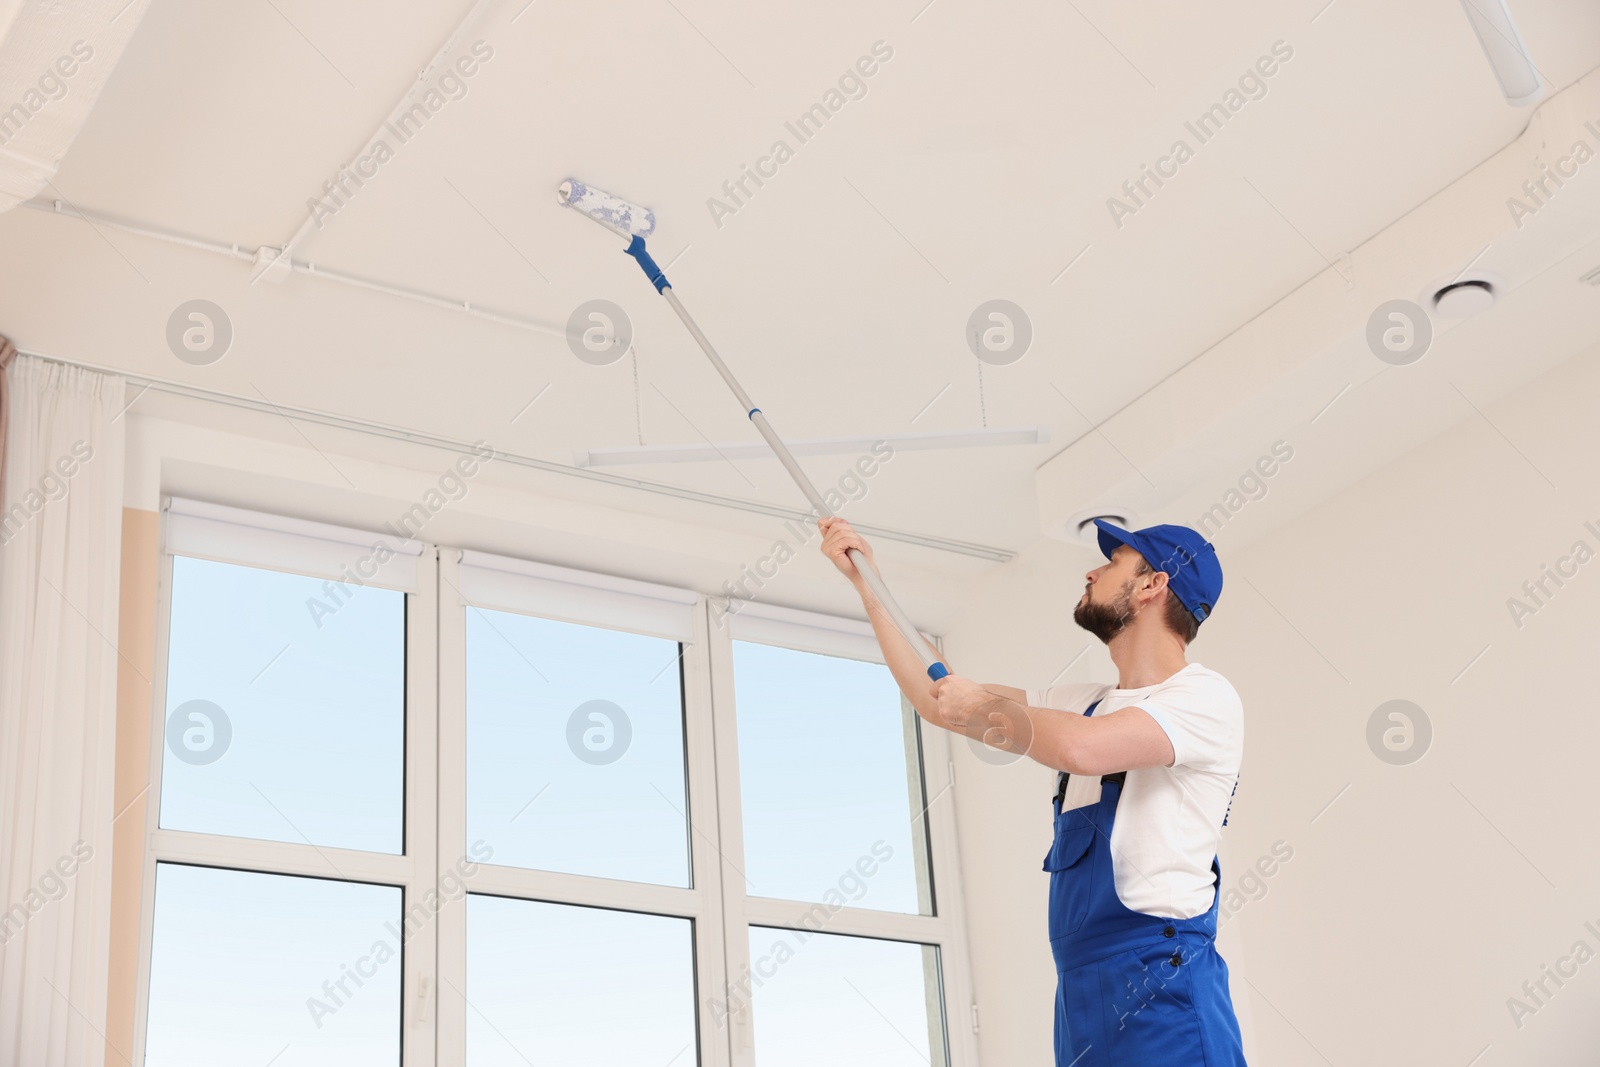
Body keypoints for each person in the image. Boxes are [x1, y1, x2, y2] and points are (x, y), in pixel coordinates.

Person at [820, 515, 1248, 1066]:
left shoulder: (1204, 698)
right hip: (1079, 997)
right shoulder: (1082, 702)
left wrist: (984, 707)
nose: (1092, 571)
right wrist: (867, 584)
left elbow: (1084, 750)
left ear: (1152, 585)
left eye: (1112, 563)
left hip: (1164, 990)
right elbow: (940, 698)